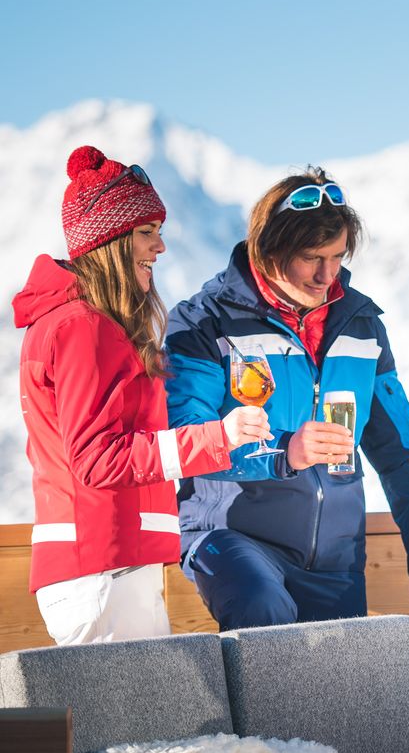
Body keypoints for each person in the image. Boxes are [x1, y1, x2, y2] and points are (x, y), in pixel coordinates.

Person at [164, 167, 409, 629]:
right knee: (264, 612)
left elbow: (401, 450)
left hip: (335, 558)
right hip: (233, 538)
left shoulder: (360, 325)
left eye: (337, 256)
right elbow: (186, 435)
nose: (327, 275)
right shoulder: (205, 322)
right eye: (310, 257)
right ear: (269, 247)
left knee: (332, 692)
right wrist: (285, 451)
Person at [12, 146, 269, 645]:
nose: (161, 247)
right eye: (147, 233)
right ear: (109, 242)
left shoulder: (70, 323)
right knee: (129, 725)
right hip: (103, 572)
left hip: (109, 567)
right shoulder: (85, 328)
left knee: (142, 723)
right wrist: (218, 437)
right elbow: (97, 460)